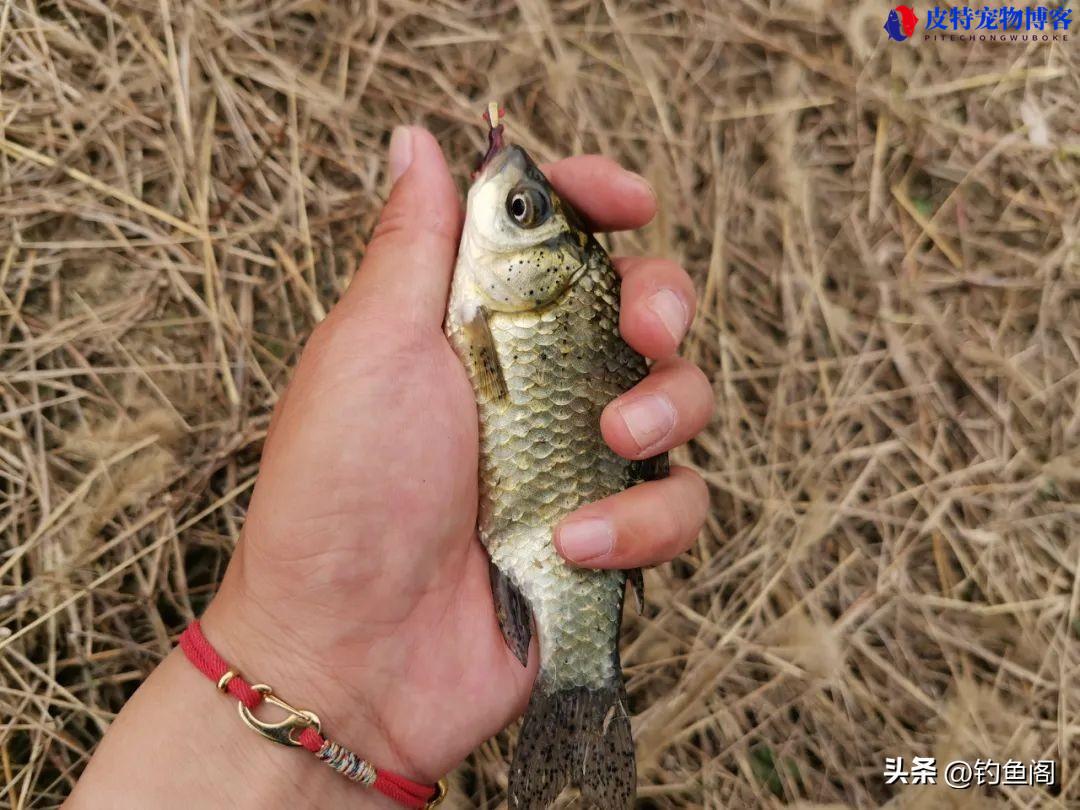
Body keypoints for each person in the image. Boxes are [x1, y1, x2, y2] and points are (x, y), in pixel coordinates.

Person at [66, 126, 713, 808]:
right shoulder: (492, 301)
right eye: (523, 210)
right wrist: (305, 661)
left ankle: (581, 677)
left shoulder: (505, 302)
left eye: (521, 213)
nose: (506, 202)